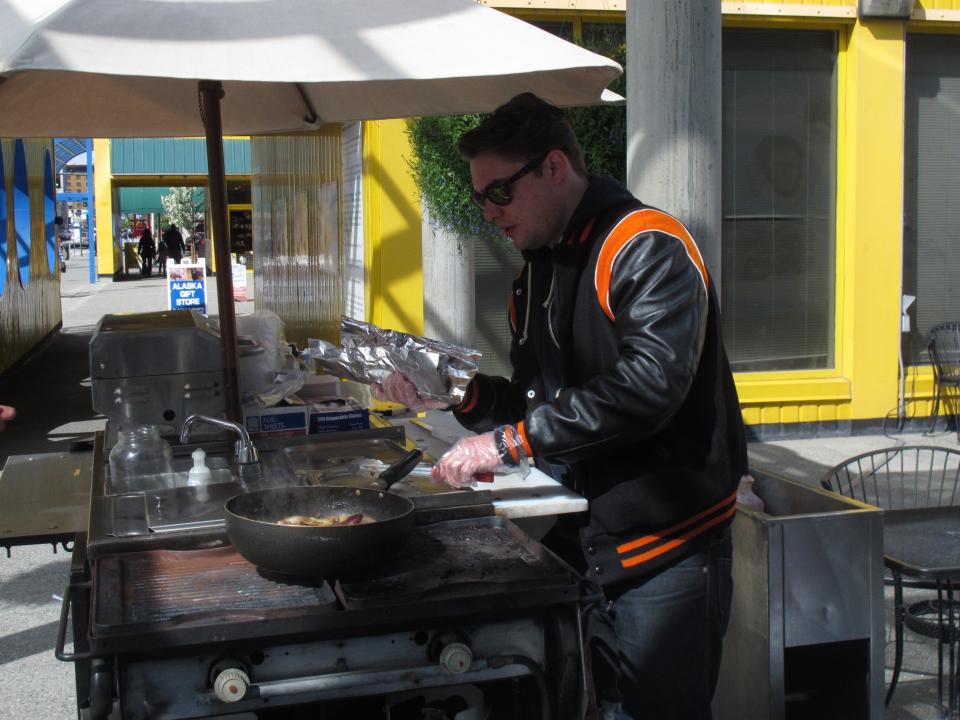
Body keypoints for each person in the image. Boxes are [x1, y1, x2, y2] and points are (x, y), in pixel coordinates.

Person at [374, 93, 747, 720]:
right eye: (480, 197)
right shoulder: (537, 271)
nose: (490, 213)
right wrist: (459, 394)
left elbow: (649, 387)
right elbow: (533, 400)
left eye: (500, 192)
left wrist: (508, 443)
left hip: (668, 549)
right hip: (586, 541)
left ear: (553, 167)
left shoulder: (644, 243)